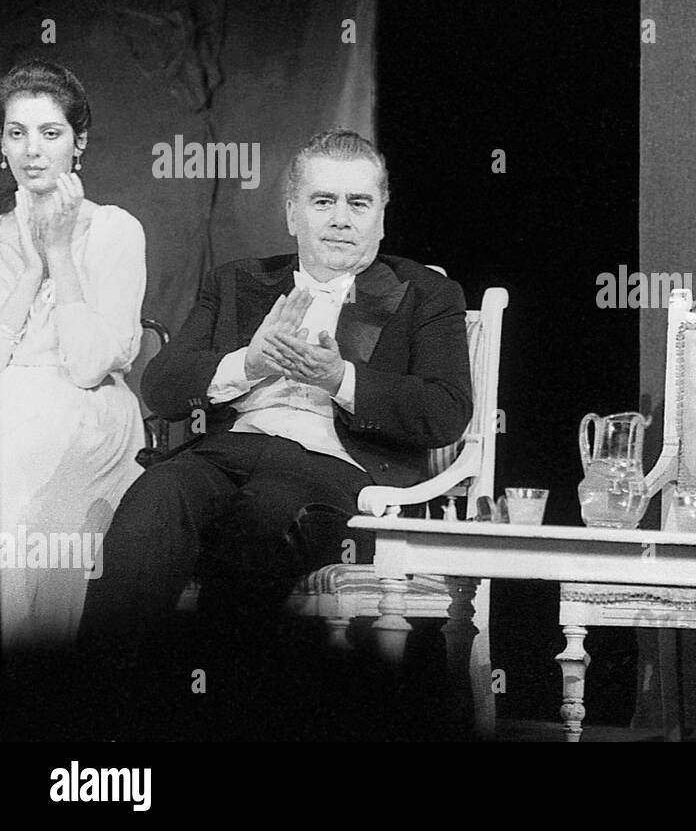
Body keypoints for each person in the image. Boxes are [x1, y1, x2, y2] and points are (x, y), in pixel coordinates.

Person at [78, 129, 472, 723]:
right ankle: (96, 713)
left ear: (382, 217)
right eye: (323, 201)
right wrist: (248, 363)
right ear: (292, 212)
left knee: (259, 524)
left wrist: (341, 378)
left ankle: (223, 720)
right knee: (153, 499)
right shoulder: (238, 281)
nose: (341, 219)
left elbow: (446, 411)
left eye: (358, 203)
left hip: (335, 471)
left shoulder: (426, 294)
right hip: (228, 452)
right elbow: (161, 387)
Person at [0, 60, 147, 650]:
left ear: (78, 142)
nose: (33, 151)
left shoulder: (115, 230)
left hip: (86, 410)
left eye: (51, 132)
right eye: (17, 132)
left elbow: (89, 366)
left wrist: (58, 251)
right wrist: (29, 269)